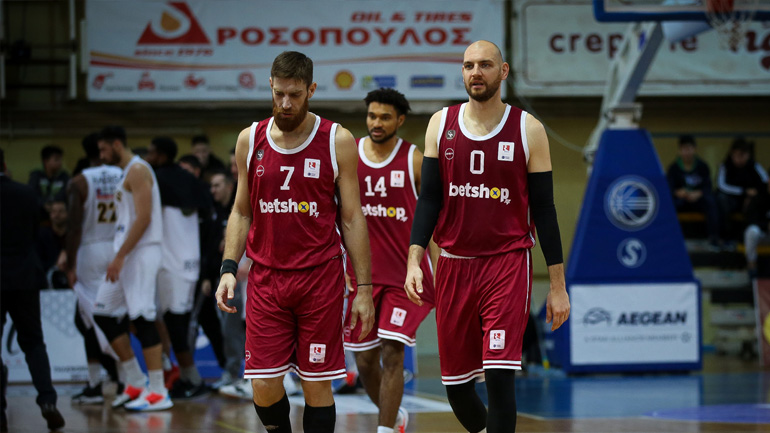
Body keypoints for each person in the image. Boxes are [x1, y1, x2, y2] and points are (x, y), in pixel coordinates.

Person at [404, 40, 570, 433]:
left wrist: (558, 286)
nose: (475, 72)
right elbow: (428, 200)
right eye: (468, 66)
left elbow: (544, 211)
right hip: (454, 265)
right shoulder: (440, 124)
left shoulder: (528, 129)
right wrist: (414, 259)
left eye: (485, 65)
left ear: (504, 71)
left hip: (507, 263)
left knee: (499, 375)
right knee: (457, 388)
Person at [215, 50, 375, 433]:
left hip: (319, 279)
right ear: (271, 86)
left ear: (311, 90)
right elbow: (241, 211)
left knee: (316, 383)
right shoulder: (249, 139)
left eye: (296, 95)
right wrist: (228, 268)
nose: (286, 103)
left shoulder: (338, 140)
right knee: (264, 386)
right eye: (280, 94)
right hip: (267, 278)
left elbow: (352, 218)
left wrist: (365, 288)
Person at [343, 88, 439, 433]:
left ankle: (384, 429)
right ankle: (394, 417)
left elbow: (435, 221)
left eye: (385, 117)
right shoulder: (349, 154)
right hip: (362, 280)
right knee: (365, 361)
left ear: (399, 120)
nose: (377, 123)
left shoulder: (414, 159)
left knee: (392, 352)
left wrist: (440, 273)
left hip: (404, 279)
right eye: (372, 116)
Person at [92, 126, 173, 411]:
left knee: (142, 316)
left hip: (141, 252)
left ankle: (159, 391)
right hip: (126, 254)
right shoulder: (127, 172)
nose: (101, 155)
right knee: (101, 312)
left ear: (117, 144)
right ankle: (136, 381)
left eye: (103, 149)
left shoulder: (139, 170)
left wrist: (120, 255)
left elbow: (145, 217)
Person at [0, 148, 65, 431]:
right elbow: (39, 228)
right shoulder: (26, 193)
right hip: (25, 277)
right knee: (34, 342)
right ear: (4, 163)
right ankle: (47, 400)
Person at [145, 137, 211, 399]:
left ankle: (190, 377)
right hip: (189, 261)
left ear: (161, 154)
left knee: (175, 323)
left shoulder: (157, 179)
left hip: (170, 263)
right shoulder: (192, 182)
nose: (149, 155)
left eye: (151, 151)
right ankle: (182, 374)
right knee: (174, 322)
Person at [64, 157, 123, 404]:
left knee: (90, 320)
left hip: (90, 250)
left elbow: (74, 225)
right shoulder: (123, 173)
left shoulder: (80, 181)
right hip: (117, 246)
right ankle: (120, 380)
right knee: (113, 317)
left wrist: (69, 261)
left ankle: (99, 384)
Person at [666, 135, 721, 248]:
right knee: (668, 204)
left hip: (697, 200)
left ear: (695, 149)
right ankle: (669, 237)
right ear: (679, 150)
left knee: (712, 202)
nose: (687, 152)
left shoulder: (702, 166)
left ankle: (714, 238)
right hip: (681, 200)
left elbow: (708, 186)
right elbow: (669, 188)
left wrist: (699, 193)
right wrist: (678, 192)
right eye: (684, 149)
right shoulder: (673, 168)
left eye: (689, 148)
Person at [716, 137, 769, 240]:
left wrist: (753, 196)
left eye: (742, 155)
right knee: (721, 199)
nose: (739, 159)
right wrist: (743, 192)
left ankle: (749, 235)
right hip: (731, 199)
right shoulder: (725, 165)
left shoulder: (754, 166)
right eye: (735, 155)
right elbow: (721, 186)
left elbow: (766, 182)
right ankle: (726, 236)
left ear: (748, 155)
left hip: (751, 200)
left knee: (756, 202)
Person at [28, 144, 70, 223]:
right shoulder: (36, 175)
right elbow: (32, 193)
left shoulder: (64, 177)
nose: (60, 163)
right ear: (46, 161)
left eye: (61, 159)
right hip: (39, 218)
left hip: (59, 218)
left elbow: (66, 193)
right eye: (56, 159)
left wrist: (54, 205)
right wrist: (43, 204)